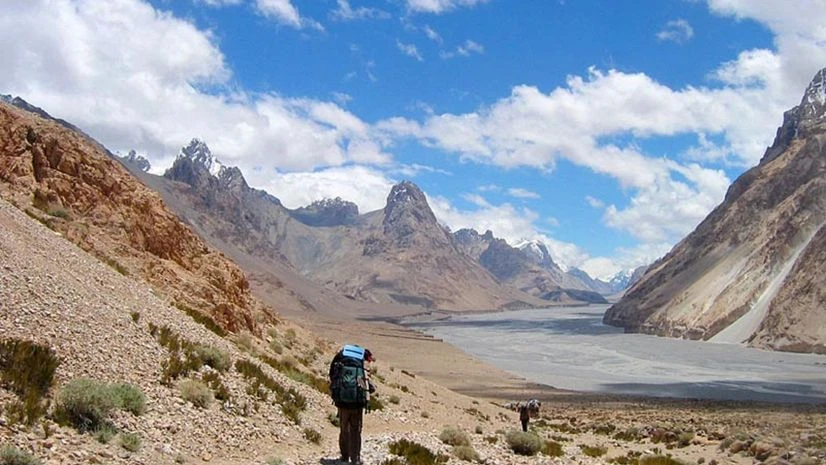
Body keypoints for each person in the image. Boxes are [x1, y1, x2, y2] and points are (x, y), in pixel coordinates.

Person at [329, 345, 375, 464]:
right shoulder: (361, 362)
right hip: (357, 404)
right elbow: (365, 383)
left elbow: (332, 375)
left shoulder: (340, 357)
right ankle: (356, 459)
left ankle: (344, 456)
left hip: (342, 402)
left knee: (344, 429)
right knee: (356, 430)